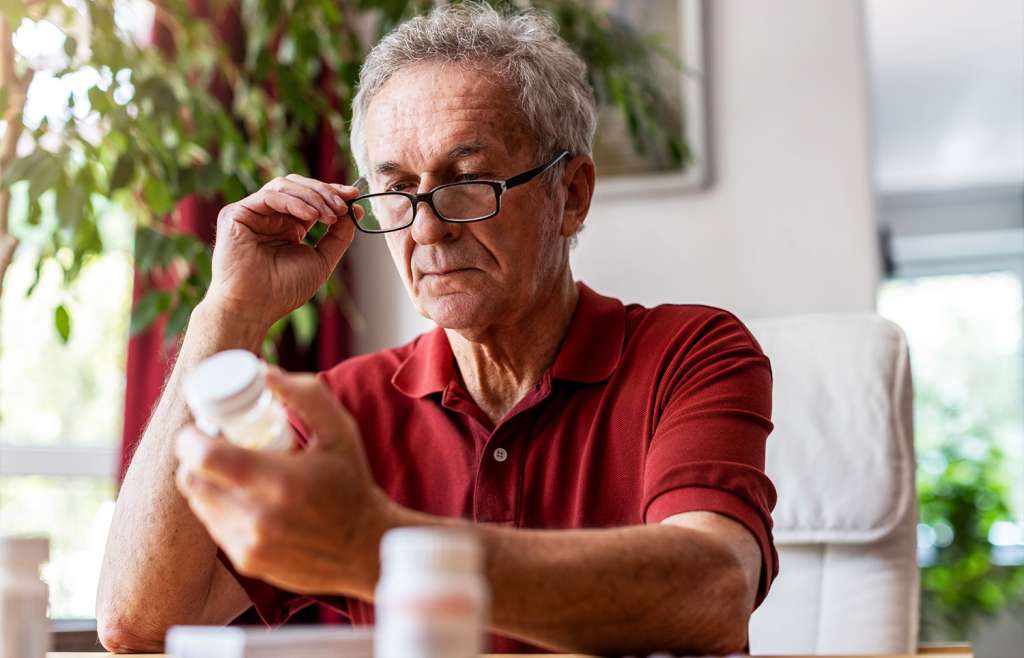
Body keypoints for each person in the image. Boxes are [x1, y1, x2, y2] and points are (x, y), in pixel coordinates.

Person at [96, 3, 778, 655]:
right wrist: (230, 312)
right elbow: (141, 622)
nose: (426, 226)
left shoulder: (691, 353)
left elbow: (712, 591)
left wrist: (375, 544)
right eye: (396, 190)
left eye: (468, 181)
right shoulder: (340, 410)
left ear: (570, 196)